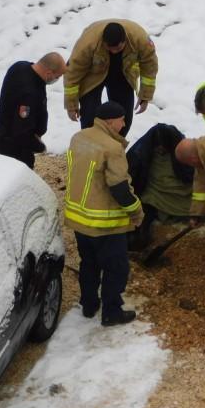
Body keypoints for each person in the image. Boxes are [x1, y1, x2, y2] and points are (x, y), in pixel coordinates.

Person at [63, 101, 143, 326]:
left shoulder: (79, 137)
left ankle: (88, 304)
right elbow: (119, 188)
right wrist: (136, 212)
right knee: (115, 268)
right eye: (122, 119)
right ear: (110, 122)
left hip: (79, 218)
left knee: (88, 263)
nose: (124, 123)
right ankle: (112, 312)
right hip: (104, 223)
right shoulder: (112, 148)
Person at [126, 123, 205, 251]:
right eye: (158, 148)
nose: (160, 150)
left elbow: (196, 175)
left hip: (184, 191)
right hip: (156, 192)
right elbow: (132, 172)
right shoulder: (143, 150)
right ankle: (138, 238)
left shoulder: (183, 150)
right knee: (145, 206)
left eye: (163, 148)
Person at [64, 19, 158, 136]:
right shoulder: (87, 43)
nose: (113, 52)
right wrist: (71, 105)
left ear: (125, 41)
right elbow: (72, 74)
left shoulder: (140, 39)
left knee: (124, 117)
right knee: (89, 115)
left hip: (123, 73)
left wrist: (145, 96)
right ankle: (91, 145)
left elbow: (150, 67)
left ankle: (115, 148)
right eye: (110, 48)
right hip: (93, 74)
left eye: (118, 49)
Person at [0, 52, 66, 168]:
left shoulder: (20, 66)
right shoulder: (29, 94)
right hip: (14, 148)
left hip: (2, 134)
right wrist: (39, 146)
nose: (58, 79)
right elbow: (22, 130)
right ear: (49, 73)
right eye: (58, 76)